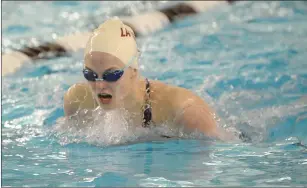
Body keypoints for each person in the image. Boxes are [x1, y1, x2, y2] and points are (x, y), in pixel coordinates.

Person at [63, 18, 237, 141]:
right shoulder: (78, 102)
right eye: (90, 75)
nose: (99, 85)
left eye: (111, 75)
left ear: (133, 71)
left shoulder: (185, 113)